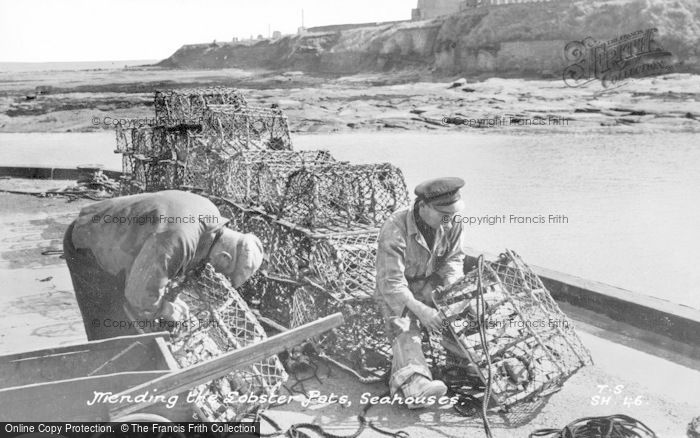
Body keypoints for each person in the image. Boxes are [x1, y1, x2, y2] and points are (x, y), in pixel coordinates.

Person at [63, 190, 263, 341]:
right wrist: (168, 309)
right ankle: (106, 388)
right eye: (224, 273)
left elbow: (164, 266)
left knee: (130, 323)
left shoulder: (211, 215)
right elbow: (139, 295)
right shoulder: (179, 237)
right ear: (225, 258)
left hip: (123, 242)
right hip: (90, 242)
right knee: (110, 330)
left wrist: (170, 302)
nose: (216, 274)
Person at [375, 177, 466, 409]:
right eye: (444, 214)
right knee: (405, 325)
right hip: (396, 290)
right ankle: (416, 383)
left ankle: (466, 364)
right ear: (423, 206)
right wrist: (423, 311)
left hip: (430, 283)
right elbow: (392, 283)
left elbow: (454, 259)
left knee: (467, 312)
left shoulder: (453, 220)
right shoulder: (394, 227)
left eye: (453, 213)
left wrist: (454, 291)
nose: (450, 219)